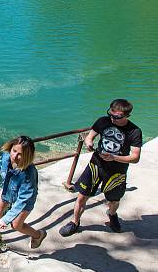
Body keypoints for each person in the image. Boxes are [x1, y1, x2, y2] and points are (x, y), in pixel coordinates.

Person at [60, 99, 142, 236]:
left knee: (114, 200)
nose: (112, 118)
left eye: (117, 117)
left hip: (117, 171)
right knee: (82, 196)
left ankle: (112, 214)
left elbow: (135, 157)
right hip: (96, 165)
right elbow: (90, 136)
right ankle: (75, 222)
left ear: (127, 116)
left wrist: (114, 157)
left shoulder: (134, 131)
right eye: (111, 114)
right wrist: (89, 142)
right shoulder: (103, 121)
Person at [0, 136, 47, 251]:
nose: (15, 156)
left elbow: (24, 198)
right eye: (14, 151)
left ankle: (38, 235)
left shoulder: (29, 173)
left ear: (27, 156)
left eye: (20, 154)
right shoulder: (6, 157)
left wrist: (6, 218)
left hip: (24, 199)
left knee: (16, 225)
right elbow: (4, 170)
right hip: (7, 189)